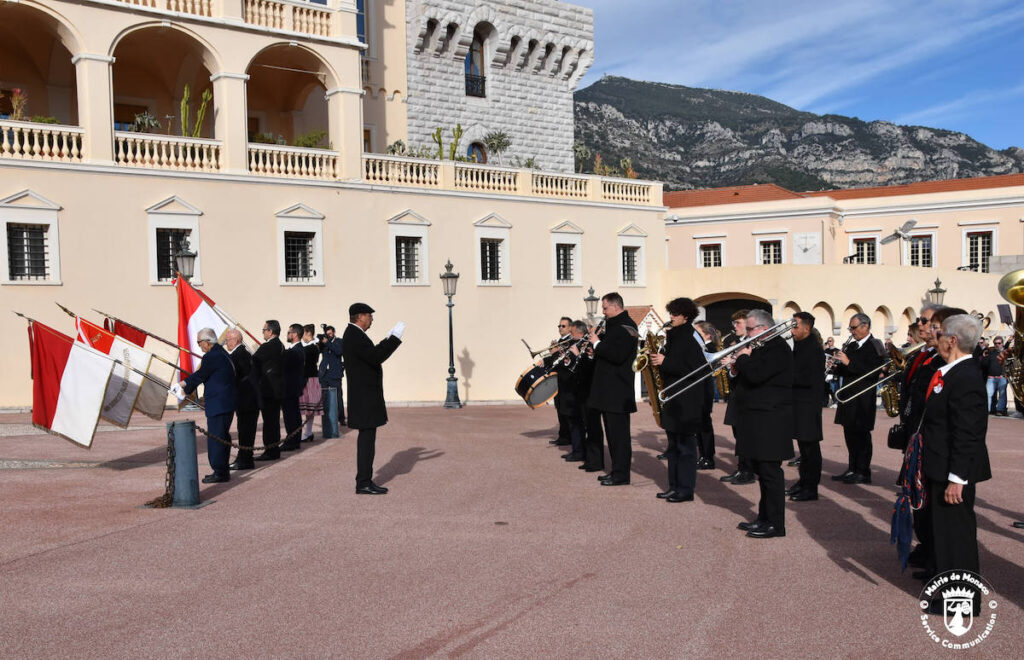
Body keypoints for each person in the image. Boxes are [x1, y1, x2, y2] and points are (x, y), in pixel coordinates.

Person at [918, 314, 991, 583]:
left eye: (939, 334)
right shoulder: (952, 372)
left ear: (952, 340)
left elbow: (968, 433)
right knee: (944, 534)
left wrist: (957, 479)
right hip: (940, 465)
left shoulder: (966, 376)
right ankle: (946, 584)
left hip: (953, 471)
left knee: (956, 537)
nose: (934, 339)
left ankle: (960, 598)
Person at [730, 310, 794, 538]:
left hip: (771, 421)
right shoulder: (762, 347)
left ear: (763, 328)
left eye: (749, 329)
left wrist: (743, 358)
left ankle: (776, 524)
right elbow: (751, 376)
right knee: (762, 472)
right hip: (758, 418)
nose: (746, 334)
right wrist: (738, 366)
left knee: (771, 474)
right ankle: (764, 517)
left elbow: (757, 375)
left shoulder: (778, 349)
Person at [343, 303, 404, 495]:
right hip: (364, 398)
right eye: (369, 315)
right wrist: (393, 339)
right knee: (367, 443)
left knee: (367, 441)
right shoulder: (354, 335)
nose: (371, 319)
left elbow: (370, 355)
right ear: (360, 316)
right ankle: (363, 482)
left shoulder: (355, 335)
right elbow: (375, 356)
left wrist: (387, 339)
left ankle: (365, 480)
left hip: (364, 397)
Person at [649, 298, 706, 502]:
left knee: (686, 448)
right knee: (673, 447)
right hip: (673, 399)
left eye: (675, 314)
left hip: (687, 401)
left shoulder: (691, 338)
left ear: (686, 316)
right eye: (670, 313)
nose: (671, 317)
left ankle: (685, 489)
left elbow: (698, 370)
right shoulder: (673, 336)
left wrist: (666, 362)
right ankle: (674, 486)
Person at [172, 328, 237, 484]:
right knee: (222, 436)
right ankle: (222, 470)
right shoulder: (222, 353)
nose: (199, 346)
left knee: (216, 438)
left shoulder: (211, 356)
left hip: (218, 403)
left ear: (207, 342)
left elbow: (200, 375)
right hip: (225, 402)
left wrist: (183, 386)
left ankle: (219, 471)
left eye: (199, 342)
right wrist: (184, 384)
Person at [587, 292, 639, 486]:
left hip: (618, 390)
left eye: (605, 308)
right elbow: (607, 354)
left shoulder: (627, 327)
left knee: (619, 436)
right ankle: (616, 471)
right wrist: (596, 350)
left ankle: (621, 474)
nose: (603, 311)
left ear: (616, 307)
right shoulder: (613, 326)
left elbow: (617, 355)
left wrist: (598, 343)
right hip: (608, 390)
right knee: (612, 434)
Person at [831, 313, 885, 484]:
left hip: (862, 398)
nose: (851, 331)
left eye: (854, 328)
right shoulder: (852, 346)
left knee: (861, 436)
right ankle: (852, 468)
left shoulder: (874, 346)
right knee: (850, 434)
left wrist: (848, 363)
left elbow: (873, 371)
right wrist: (835, 367)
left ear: (865, 326)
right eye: (850, 328)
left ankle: (863, 471)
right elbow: (846, 370)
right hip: (849, 396)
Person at [786, 312, 825, 502]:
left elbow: (807, 378)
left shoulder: (813, 349)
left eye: (795, 326)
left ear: (806, 329)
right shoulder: (800, 346)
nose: (792, 330)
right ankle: (803, 482)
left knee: (810, 449)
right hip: (799, 403)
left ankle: (811, 488)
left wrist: (784, 377)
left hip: (808, 405)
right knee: (803, 449)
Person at [722, 309, 755, 485]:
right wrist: (731, 366)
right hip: (737, 393)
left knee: (744, 434)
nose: (735, 327)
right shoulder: (737, 343)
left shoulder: (751, 344)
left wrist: (733, 363)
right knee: (737, 432)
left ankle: (747, 470)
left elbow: (750, 370)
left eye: (738, 323)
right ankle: (742, 467)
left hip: (746, 395)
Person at [225, 329, 259, 471]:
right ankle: (244, 457)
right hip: (247, 400)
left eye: (228, 340)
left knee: (245, 431)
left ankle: (245, 459)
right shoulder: (242, 353)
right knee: (244, 430)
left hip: (247, 400)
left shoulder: (239, 355)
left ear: (236, 340)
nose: (226, 343)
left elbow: (237, 376)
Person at [252, 320, 286, 462]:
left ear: (270, 331)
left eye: (264, 330)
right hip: (276, 389)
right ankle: (273, 449)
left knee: (269, 422)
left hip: (269, 390)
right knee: (273, 422)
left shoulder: (269, 346)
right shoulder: (280, 345)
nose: (263, 332)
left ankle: (270, 450)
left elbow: (253, 360)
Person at [556, 320, 588, 462]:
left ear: (580, 333)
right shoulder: (575, 344)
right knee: (572, 422)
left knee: (577, 423)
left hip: (577, 390)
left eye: (573, 332)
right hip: (569, 389)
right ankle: (576, 449)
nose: (571, 334)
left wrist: (574, 355)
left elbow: (581, 367)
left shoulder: (583, 344)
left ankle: (580, 451)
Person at [545, 317, 574, 446]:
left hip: (567, 381)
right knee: (560, 409)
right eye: (559, 326)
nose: (560, 328)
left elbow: (566, 360)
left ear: (569, 327)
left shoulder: (571, 341)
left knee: (567, 411)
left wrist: (555, 353)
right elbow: (554, 362)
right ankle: (563, 436)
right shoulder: (560, 342)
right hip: (558, 380)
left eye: (563, 326)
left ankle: (569, 437)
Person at [693, 320, 718, 470]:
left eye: (698, 333)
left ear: (707, 335)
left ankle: (708, 456)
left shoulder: (710, 348)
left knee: (705, 425)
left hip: (705, 390)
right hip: (698, 389)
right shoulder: (700, 347)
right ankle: (703, 455)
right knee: (699, 425)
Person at [280, 323, 306, 451]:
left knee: (291, 416)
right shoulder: (295, 350)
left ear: (295, 334)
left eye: (289, 332)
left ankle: (292, 441)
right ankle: (294, 440)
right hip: (292, 388)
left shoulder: (296, 351)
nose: (288, 334)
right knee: (294, 416)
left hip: (290, 388)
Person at [318, 325, 345, 437]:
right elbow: (318, 350)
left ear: (334, 332)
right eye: (327, 334)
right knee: (324, 397)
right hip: (324, 374)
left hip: (335, 374)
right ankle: (327, 418)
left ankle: (341, 418)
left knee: (338, 397)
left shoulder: (339, 341)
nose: (328, 335)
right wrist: (319, 341)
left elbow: (339, 351)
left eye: (330, 334)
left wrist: (327, 342)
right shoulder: (323, 343)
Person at [299, 324, 323, 442]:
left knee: (309, 408)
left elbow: (301, 352)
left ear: (308, 333)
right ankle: (306, 432)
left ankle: (308, 432)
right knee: (304, 408)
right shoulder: (309, 346)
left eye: (303, 333)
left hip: (310, 379)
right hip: (305, 378)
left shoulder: (314, 346)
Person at [982, 335, 1008, 416]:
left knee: (1002, 394)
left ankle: (1000, 410)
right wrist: (984, 356)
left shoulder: (1006, 353)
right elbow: (985, 364)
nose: (997, 345)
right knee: (988, 394)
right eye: (995, 343)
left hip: (1002, 377)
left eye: (999, 343)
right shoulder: (991, 353)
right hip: (991, 378)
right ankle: (987, 410)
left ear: (1002, 344)